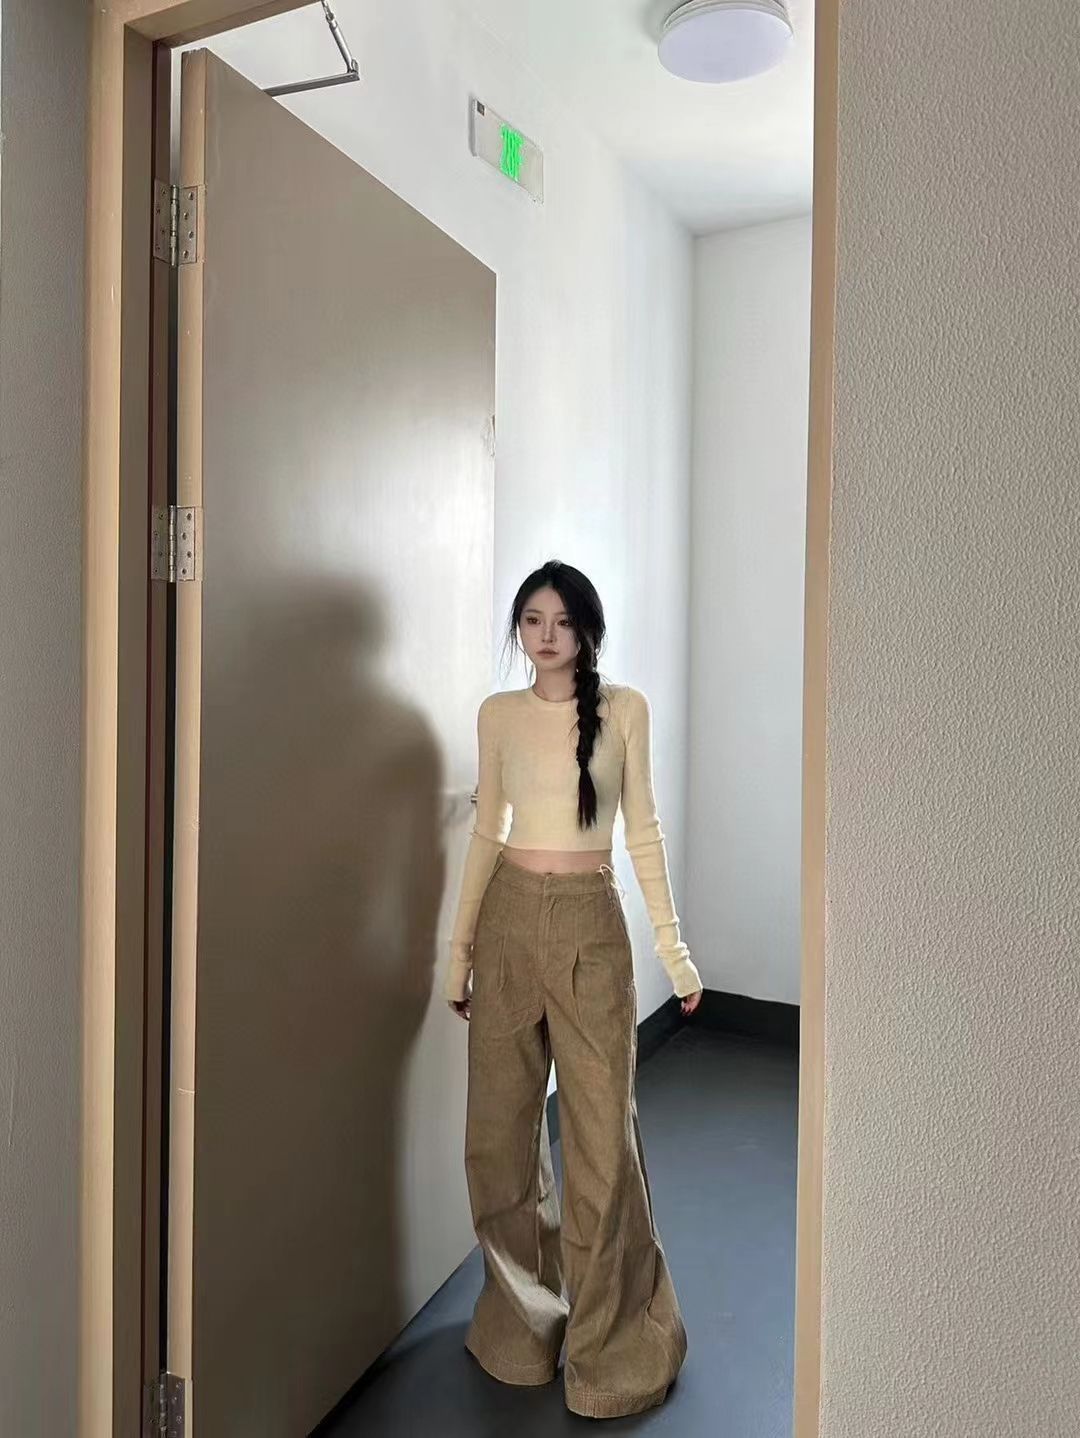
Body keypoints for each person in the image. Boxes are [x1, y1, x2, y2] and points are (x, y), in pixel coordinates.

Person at [443, 558, 703, 1419]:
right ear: (519, 629)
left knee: (601, 1141)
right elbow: (487, 833)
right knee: (498, 1137)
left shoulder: (624, 710)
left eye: (561, 620)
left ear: (587, 628)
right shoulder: (499, 715)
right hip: (509, 919)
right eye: (531, 620)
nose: (546, 636)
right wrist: (458, 953)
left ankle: (613, 1350)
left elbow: (644, 832)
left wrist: (674, 953)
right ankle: (521, 1327)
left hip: (591, 921)